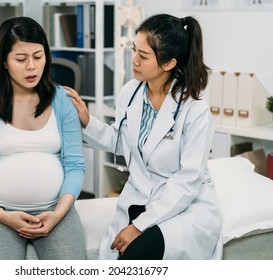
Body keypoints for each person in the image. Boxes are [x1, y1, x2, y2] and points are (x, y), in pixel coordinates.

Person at [67, 14, 222, 260]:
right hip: (140, 196)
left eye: (144, 55)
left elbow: (188, 180)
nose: (134, 60)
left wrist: (138, 226)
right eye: (134, 50)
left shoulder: (194, 109)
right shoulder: (130, 92)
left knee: (135, 253)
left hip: (183, 207)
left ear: (169, 63)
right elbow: (120, 140)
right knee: (118, 253)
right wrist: (86, 120)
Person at [0, 16, 86, 260]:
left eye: (38, 57)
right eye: (21, 59)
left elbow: (75, 165)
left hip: (55, 209)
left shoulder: (62, 99)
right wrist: (1, 213)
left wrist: (59, 213)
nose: (32, 66)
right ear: (4, 61)